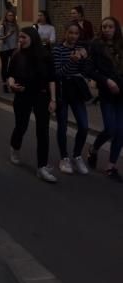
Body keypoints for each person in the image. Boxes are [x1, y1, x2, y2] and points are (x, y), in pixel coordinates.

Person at [8, 27, 58, 183]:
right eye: (19, 37)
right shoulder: (17, 55)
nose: (20, 40)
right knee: (21, 126)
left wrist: (53, 99)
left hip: (41, 95)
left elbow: (51, 79)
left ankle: (42, 167)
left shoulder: (45, 56)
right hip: (22, 94)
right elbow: (10, 75)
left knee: (42, 130)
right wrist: (12, 85)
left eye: (24, 37)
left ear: (33, 38)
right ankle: (15, 148)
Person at [85, 17, 123, 181]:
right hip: (107, 92)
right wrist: (106, 81)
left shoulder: (121, 45)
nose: (107, 29)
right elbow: (89, 69)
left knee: (121, 132)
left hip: (122, 93)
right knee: (110, 129)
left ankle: (111, 166)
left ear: (116, 29)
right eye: (104, 26)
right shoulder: (96, 44)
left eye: (110, 26)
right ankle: (93, 149)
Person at [53, 22, 90, 175]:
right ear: (65, 32)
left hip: (77, 90)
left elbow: (87, 71)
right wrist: (71, 61)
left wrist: (85, 59)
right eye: (71, 33)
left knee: (84, 125)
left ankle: (77, 155)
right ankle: (64, 158)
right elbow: (57, 73)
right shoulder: (57, 49)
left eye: (76, 33)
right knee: (62, 125)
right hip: (62, 90)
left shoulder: (80, 49)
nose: (74, 36)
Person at [0, 10, 19, 93]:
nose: (11, 17)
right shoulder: (3, 26)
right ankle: (5, 85)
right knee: (4, 67)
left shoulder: (16, 26)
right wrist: (8, 34)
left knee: (13, 66)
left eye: (12, 15)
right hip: (4, 49)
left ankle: (13, 83)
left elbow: (17, 37)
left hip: (13, 48)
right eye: (9, 15)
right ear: (6, 16)